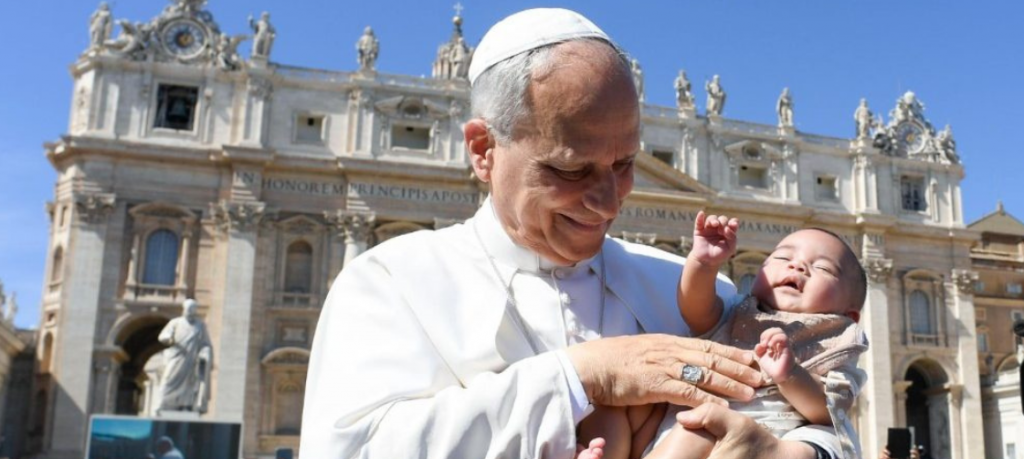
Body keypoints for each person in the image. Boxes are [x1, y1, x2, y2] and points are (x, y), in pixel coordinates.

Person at [301, 8, 845, 458]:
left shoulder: (689, 291)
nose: (609, 201)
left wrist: (788, 454)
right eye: (570, 169)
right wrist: (580, 377)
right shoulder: (387, 283)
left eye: (625, 163)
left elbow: (829, 421)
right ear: (484, 151)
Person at [577, 214, 867, 459]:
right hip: (665, 420)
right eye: (781, 257)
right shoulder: (737, 310)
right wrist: (703, 264)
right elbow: (696, 307)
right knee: (615, 403)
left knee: (700, 428)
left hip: (730, 437)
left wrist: (790, 374)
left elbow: (828, 411)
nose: (797, 266)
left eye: (823, 268)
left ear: (848, 315)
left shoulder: (836, 343)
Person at [157, 299, 212, 413]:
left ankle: (186, 406)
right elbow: (162, 336)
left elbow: (205, 343)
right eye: (188, 308)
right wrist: (168, 338)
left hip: (192, 360)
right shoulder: (175, 322)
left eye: (193, 309)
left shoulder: (200, 325)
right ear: (184, 309)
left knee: (190, 384)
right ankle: (162, 403)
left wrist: (205, 352)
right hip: (177, 357)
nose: (190, 311)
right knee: (168, 379)